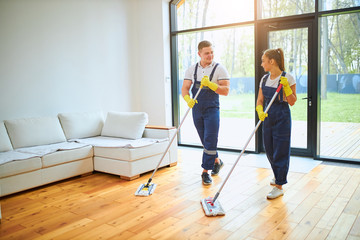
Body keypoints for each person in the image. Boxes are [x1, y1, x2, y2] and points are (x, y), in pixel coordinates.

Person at [181, 40, 230, 185]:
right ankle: (217, 161)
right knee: (205, 139)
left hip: (212, 108)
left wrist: (211, 84)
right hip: (196, 108)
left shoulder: (220, 69)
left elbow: (226, 90)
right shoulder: (192, 69)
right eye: (207, 53)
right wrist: (187, 99)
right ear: (199, 54)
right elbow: (185, 88)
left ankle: (205, 171)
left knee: (210, 138)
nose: (210, 55)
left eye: (212, 52)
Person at [256, 48, 297, 199]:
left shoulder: (288, 78)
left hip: (282, 117)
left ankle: (279, 185)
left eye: (263, 61)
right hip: (267, 116)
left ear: (271, 61)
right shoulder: (264, 79)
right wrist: (260, 110)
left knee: (281, 150)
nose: (262, 64)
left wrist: (286, 87)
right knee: (269, 148)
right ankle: (277, 174)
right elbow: (260, 100)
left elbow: (292, 102)